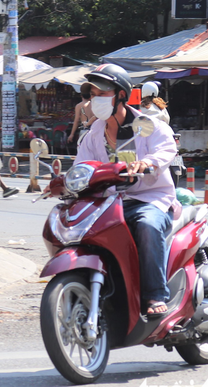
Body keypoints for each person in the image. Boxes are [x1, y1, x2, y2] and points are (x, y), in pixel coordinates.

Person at [75, 64, 180, 318]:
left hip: (150, 199)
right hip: (111, 202)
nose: (95, 100)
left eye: (102, 94)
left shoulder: (147, 125)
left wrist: (147, 162)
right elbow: (82, 165)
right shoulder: (94, 134)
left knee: (147, 226)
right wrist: (65, 180)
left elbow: (165, 148)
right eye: (92, 94)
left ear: (121, 94)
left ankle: (155, 293)